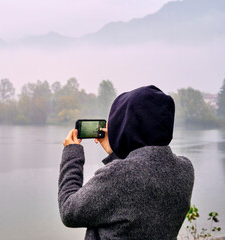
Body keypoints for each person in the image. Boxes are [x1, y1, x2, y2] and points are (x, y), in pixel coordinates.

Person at [58, 85, 194, 240]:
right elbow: (139, 188)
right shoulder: (185, 169)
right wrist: (115, 153)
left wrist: (72, 153)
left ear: (125, 126)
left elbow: (68, 211)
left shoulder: (118, 175)